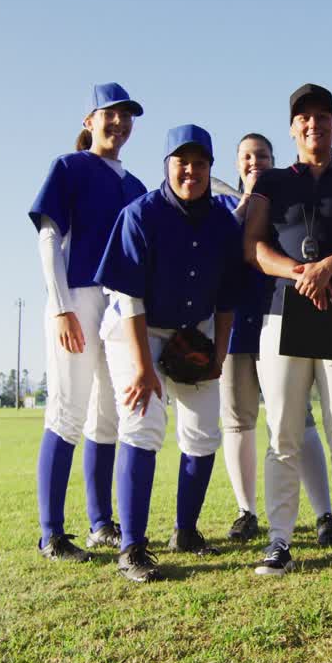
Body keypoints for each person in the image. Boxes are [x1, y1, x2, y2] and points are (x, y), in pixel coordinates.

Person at [243, 84, 332, 576]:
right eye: (303, 118)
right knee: (283, 434)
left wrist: (327, 268)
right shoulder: (274, 181)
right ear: (292, 128)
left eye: (322, 116)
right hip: (284, 313)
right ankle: (279, 542)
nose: (313, 125)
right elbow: (253, 248)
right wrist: (302, 273)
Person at [94, 124, 241, 582]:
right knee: (143, 422)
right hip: (135, 327)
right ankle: (132, 548)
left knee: (203, 432)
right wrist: (142, 367)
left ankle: (186, 530)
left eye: (200, 164)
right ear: (167, 166)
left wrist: (219, 353)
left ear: (209, 169)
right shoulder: (141, 214)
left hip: (192, 328)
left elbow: (228, 297)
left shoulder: (222, 220)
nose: (191, 171)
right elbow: (130, 297)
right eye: (182, 163)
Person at [28, 82, 146, 563]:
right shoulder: (69, 167)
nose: (118, 123)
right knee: (67, 410)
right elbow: (49, 237)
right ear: (89, 122)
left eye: (126, 116)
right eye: (109, 115)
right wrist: (60, 307)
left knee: (109, 415)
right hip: (77, 296)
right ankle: (51, 534)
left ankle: (101, 524)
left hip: (120, 303)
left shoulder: (136, 185)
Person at [214, 133, 332, 546]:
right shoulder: (222, 206)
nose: (255, 162)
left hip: (282, 315)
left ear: (275, 159)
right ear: (237, 164)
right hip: (235, 323)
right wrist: (243, 203)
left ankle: (324, 514)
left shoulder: (286, 199)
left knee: (297, 418)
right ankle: (246, 511)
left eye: (262, 156)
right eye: (247, 157)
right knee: (238, 419)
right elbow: (219, 246)